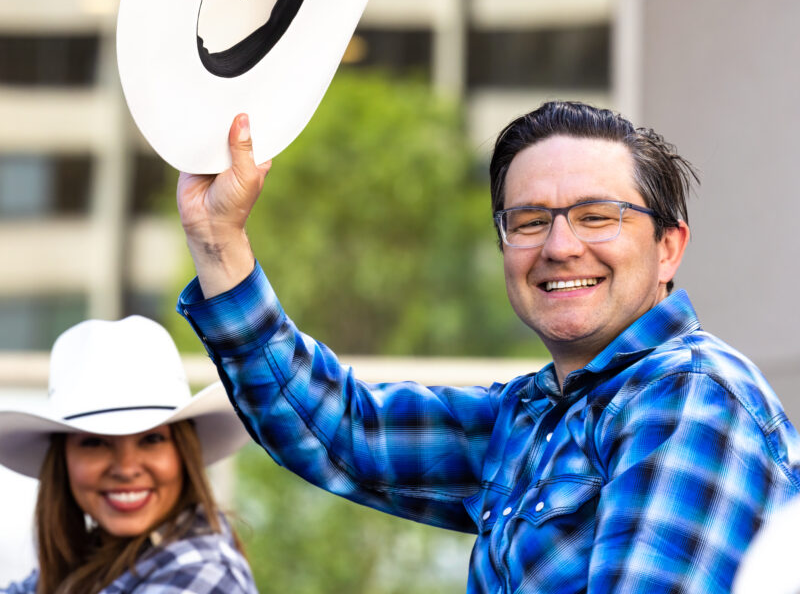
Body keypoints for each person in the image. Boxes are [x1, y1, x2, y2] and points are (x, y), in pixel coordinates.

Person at [175, 102, 800, 593]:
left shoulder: (691, 397)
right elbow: (344, 430)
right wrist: (217, 241)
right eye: (529, 221)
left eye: (596, 216)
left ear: (669, 247)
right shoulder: (532, 414)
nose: (559, 246)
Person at [0, 316, 257, 594]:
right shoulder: (90, 560)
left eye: (151, 439)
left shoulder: (204, 573)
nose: (125, 468)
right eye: (95, 443)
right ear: (62, 459)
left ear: (184, 453)